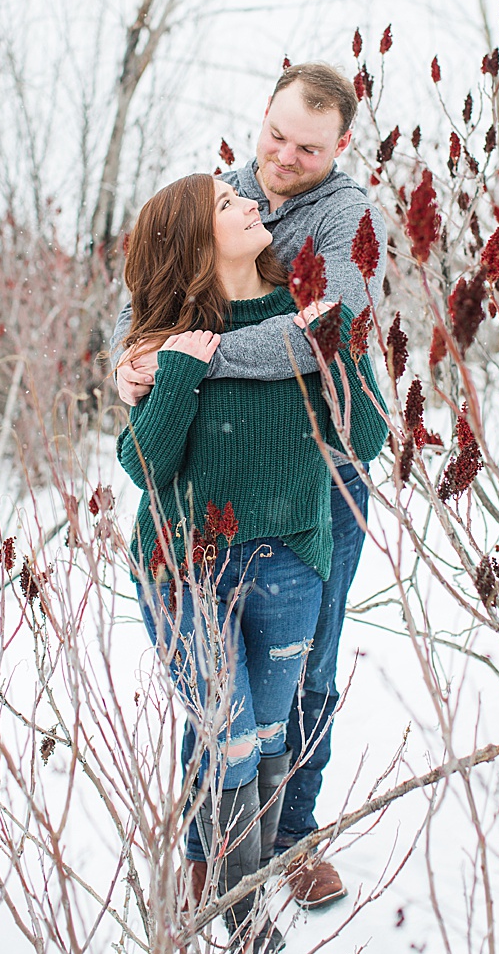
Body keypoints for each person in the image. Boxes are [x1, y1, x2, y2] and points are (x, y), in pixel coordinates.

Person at [112, 62, 387, 908]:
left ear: (340, 145)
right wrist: (138, 366)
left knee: (306, 672)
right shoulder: (218, 196)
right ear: (261, 117)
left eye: (308, 147)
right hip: (209, 487)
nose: (282, 158)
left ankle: (290, 837)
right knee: (216, 686)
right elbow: (151, 304)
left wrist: (197, 359)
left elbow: (323, 337)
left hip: (323, 478)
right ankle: (210, 845)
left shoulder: (346, 217)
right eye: (275, 135)